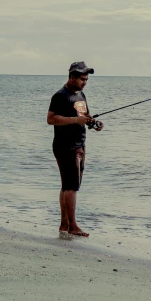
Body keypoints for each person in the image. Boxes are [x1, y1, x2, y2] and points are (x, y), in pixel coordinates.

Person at [47, 61, 103, 238]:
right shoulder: (60, 96)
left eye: (86, 79)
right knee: (72, 186)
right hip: (65, 145)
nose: (84, 82)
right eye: (81, 79)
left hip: (80, 144)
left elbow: (84, 118)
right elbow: (51, 119)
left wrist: (94, 124)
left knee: (68, 186)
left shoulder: (81, 95)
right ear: (71, 77)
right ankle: (72, 225)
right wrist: (74, 121)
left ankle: (64, 223)